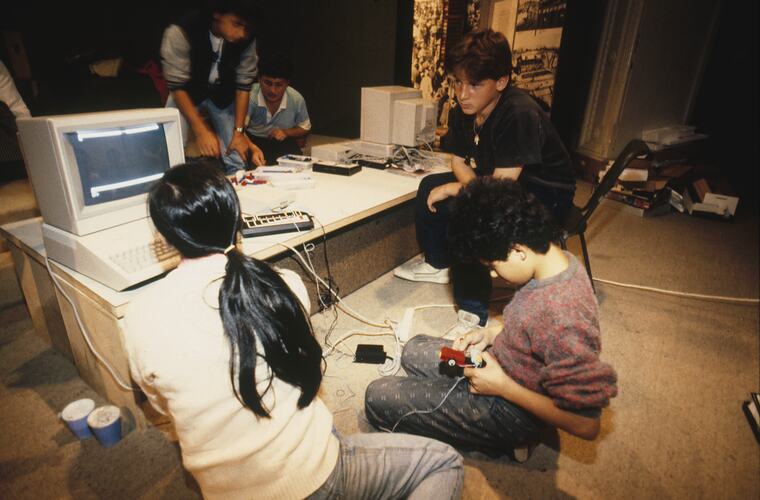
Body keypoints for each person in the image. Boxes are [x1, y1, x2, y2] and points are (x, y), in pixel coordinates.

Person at [123, 161, 463, 500]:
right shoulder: (283, 285)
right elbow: (304, 369)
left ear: (166, 236)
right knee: (444, 462)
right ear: (235, 219)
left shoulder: (139, 316)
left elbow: (161, 403)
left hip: (224, 493)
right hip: (314, 480)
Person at [366, 178, 618, 460]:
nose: (493, 275)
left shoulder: (563, 316)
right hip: (493, 362)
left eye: (492, 266)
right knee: (413, 348)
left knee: (378, 396)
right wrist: (491, 333)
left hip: (510, 408)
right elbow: (529, 323)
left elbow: (587, 424)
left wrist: (503, 387)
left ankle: (506, 439)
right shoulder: (558, 259)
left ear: (518, 250)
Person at [394, 29, 577, 333]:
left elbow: (500, 190)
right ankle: (438, 263)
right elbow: (458, 160)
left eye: (475, 84)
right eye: (458, 82)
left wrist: (459, 188)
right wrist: (464, 184)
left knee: (473, 216)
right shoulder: (462, 110)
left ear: (501, 82)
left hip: (546, 193)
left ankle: (472, 312)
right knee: (429, 186)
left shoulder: (519, 113)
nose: (462, 93)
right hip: (500, 181)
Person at [160, 0, 265, 172]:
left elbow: (244, 85)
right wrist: (201, 130)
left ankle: (237, 189)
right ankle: (171, 183)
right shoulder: (181, 31)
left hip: (223, 95)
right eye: (237, 24)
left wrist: (239, 132)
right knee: (170, 145)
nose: (241, 33)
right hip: (186, 92)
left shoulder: (247, 39)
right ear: (217, 13)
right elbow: (177, 85)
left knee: (236, 154)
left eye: (247, 28)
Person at [245, 53, 311, 163]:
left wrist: (286, 132)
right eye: (267, 83)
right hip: (252, 140)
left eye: (279, 84)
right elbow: (238, 131)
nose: (272, 90)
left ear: (287, 83)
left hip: (282, 141)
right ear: (259, 79)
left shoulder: (296, 98)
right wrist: (254, 149)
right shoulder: (250, 96)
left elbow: (305, 128)